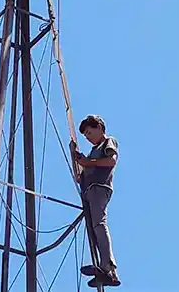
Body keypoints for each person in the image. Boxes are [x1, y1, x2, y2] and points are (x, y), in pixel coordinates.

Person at [70, 114, 121, 287]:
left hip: (100, 188)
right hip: (90, 190)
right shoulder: (92, 153)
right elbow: (81, 176)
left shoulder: (108, 142)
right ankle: (104, 269)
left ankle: (108, 266)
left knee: (99, 224)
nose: (89, 138)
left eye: (90, 133)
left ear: (99, 128)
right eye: (86, 136)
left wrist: (88, 162)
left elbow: (111, 161)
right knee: (93, 229)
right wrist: (78, 160)